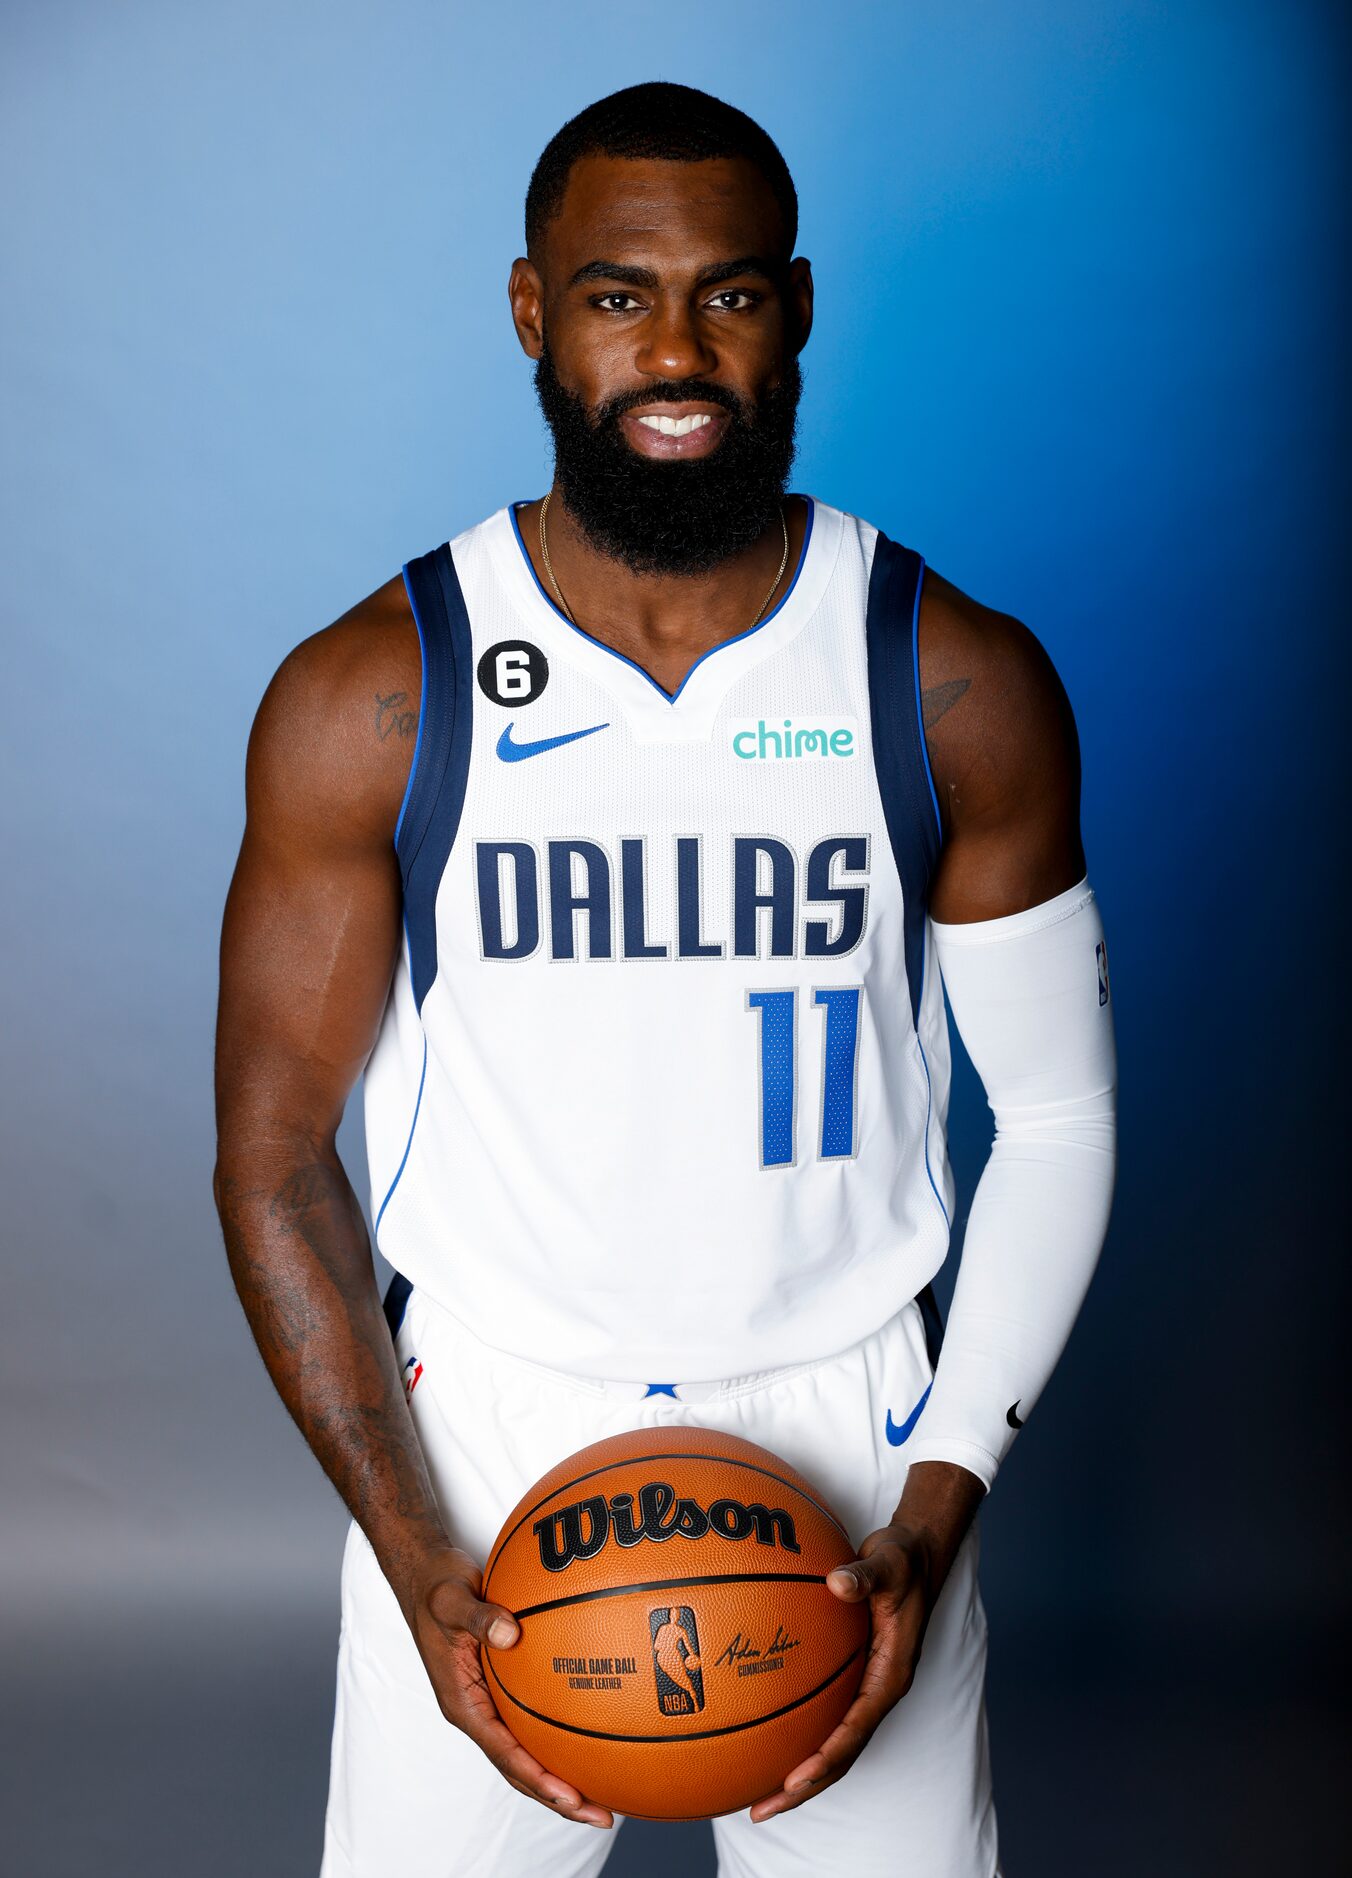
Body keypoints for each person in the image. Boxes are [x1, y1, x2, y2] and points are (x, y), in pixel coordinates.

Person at [213, 80, 1117, 1878]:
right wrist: (414, 1551)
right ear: (537, 312)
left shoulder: (947, 679)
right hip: (482, 1435)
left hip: (850, 1437)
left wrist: (937, 1509)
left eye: (732, 291)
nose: (680, 347)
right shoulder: (377, 694)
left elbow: (1064, 1112)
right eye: (621, 293)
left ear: (796, 305)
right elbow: (274, 1154)